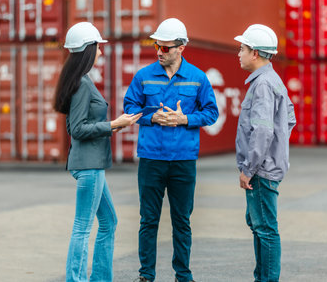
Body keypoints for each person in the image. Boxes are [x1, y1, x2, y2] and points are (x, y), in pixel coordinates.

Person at [123, 18, 219, 282]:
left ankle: (183, 275)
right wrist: (151, 117)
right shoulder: (143, 77)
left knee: (182, 221)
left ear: (181, 48)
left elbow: (211, 113)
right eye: (157, 46)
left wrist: (184, 119)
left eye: (166, 48)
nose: (159, 52)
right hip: (151, 160)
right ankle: (146, 276)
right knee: (148, 220)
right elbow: (130, 108)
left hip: (183, 161)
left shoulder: (198, 79)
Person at [53, 22, 142, 282]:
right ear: (88, 51)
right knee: (83, 227)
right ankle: (76, 279)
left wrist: (113, 127)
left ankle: (101, 278)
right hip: (88, 166)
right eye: (98, 48)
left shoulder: (81, 81)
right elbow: (78, 129)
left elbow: (74, 124)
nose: (101, 53)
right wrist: (115, 124)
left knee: (109, 222)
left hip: (91, 164)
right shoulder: (81, 84)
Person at [234, 24, 296, 282]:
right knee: (260, 226)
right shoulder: (274, 79)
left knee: (265, 229)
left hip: (260, 170)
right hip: (269, 165)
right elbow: (290, 118)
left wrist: (249, 169)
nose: (239, 53)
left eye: (242, 48)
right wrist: (277, 150)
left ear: (255, 53)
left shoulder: (261, 85)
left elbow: (261, 132)